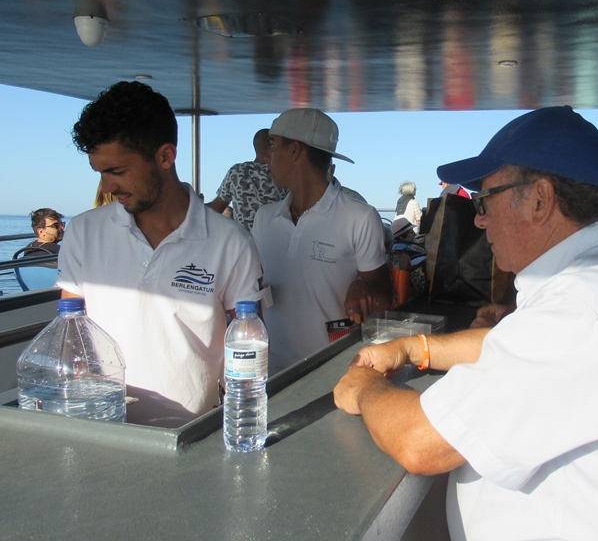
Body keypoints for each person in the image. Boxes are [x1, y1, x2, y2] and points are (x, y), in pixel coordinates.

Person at [334, 106, 598, 540]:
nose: (479, 218)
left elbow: (420, 442)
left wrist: (365, 388)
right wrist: (416, 348)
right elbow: (518, 347)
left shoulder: (585, 305)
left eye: (485, 200)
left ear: (540, 199)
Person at [58, 81, 263, 428]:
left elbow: (249, 344)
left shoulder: (231, 242)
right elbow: (70, 335)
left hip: (193, 434)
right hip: (102, 429)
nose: (107, 187)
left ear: (166, 156)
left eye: (117, 171)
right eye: (101, 173)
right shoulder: (82, 232)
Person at [252, 108, 393, 374]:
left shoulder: (360, 217)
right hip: (270, 372)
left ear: (295, 150)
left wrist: (364, 287)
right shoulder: (264, 218)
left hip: (333, 372)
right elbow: (254, 288)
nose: (267, 157)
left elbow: (385, 296)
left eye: (273, 145)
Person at [207, 128, 288, 230]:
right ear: (271, 147)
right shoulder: (282, 173)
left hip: (244, 238)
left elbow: (216, 209)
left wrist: (194, 204)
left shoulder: (236, 171)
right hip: (277, 236)